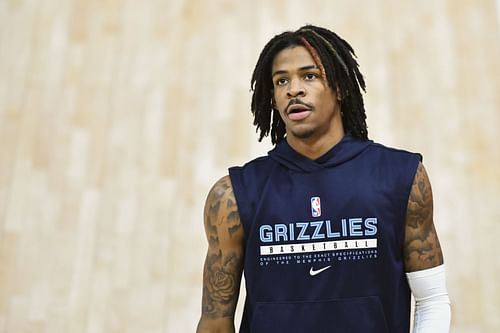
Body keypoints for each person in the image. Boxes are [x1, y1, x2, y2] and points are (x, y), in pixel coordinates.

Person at [196, 25, 451, 333]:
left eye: (310, 76)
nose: (294, 89)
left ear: (341, 87)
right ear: (273, 97)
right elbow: (215, 323)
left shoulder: (401, 177)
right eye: (281, 81)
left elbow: (432, 300)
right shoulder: (233, 195)